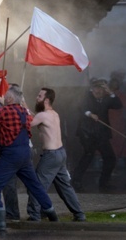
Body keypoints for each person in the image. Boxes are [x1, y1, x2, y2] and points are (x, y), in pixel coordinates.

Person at [0, 86, 58, 231]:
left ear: (10, 99)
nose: (4, 98)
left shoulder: (4, 111)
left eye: (6, 96)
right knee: (35, 186)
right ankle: (52, 215)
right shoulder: (24, 112)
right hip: (25, 153)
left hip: (11, 155)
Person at [26, 87, 86, 222]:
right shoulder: (54, 114)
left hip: (51, 156)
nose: (37, 97)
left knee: (36, 185)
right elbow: (34, 117)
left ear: (46, 100)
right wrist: (24, 105)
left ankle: (34, 215)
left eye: (39, 96)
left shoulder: (42, 115)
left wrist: (19, 109)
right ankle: (79, 214)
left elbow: (28, 122)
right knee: (65, 188)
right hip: (60, 153)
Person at [0, 68, 30, 222]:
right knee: (11, 184)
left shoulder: (19, 104)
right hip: (13, 150)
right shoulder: (8, 102)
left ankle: (30, 212)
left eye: (8, 92)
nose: (5, 94)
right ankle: (13, 214)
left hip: (18, 149)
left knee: (27, 183)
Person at [73, 78, 123, 192]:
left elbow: (118, 105)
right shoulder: (86, 96)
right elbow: (81, 107)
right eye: (96, 88)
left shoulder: (106, 98)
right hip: (87, 132)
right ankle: (76, 181)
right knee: (88, 155)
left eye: (101, 88)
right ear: (92, 88)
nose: (98, 91)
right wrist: (90, 114)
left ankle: (104, 183)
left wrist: (110, 93)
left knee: (110, 157)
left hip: (101, 134)